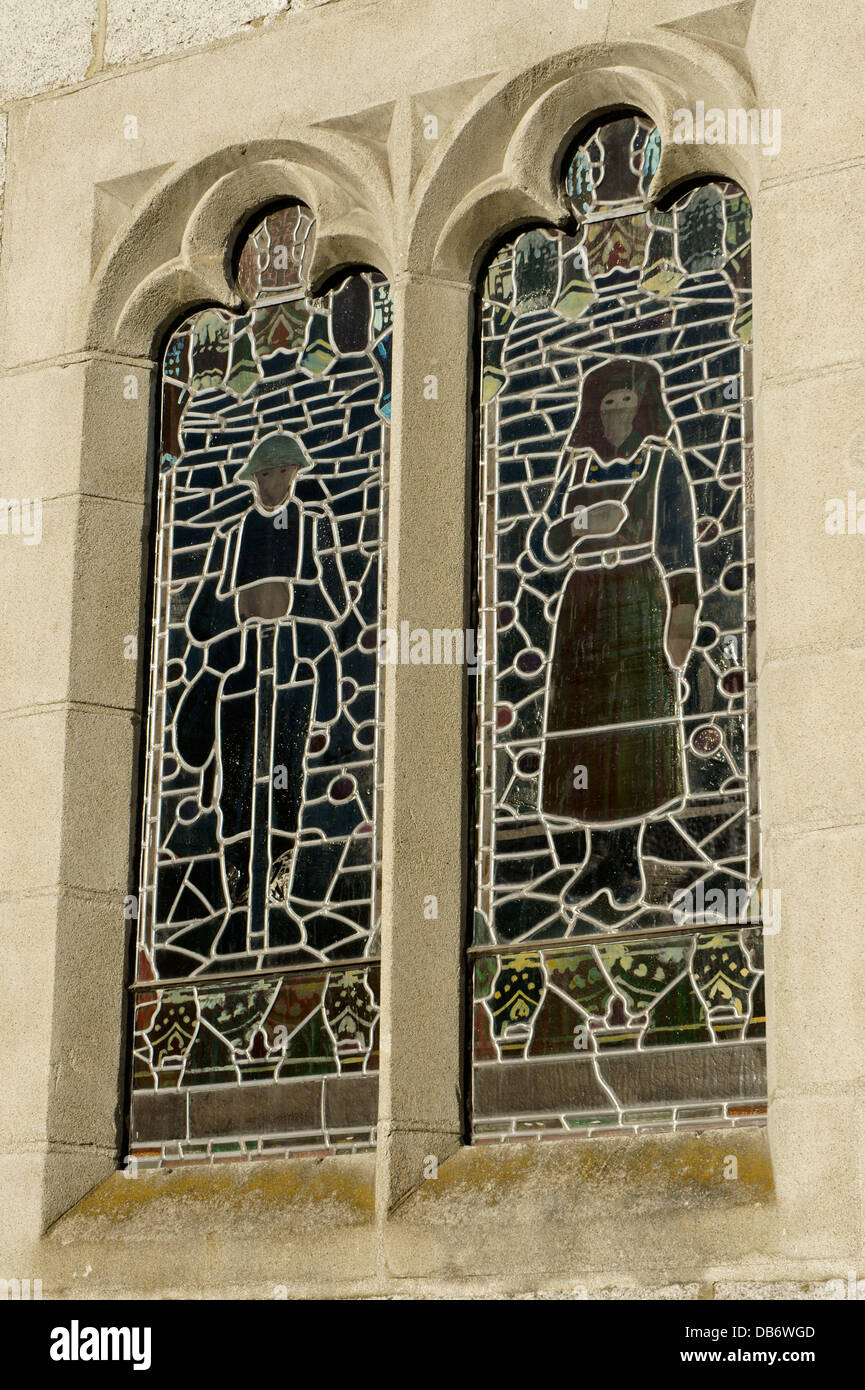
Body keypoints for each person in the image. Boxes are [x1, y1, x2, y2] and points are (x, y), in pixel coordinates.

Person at [528, 358, 699, 913]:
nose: (616, 414)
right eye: (606, 404)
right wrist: (581, 525)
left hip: (637, 594)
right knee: (585, 726)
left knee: (632, 724)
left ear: (643, 407)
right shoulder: (575, 467)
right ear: (592, 413)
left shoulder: (660, 461)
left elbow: (678, 540)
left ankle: (628, 856)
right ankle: (595, 855)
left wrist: (683, 610)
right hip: (583, 601)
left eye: (625, 402)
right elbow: (540, 545)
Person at [173, 432, 349, 956]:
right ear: (256, 479)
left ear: (295, 476)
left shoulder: (314, 528)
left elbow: (336, 601)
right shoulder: (231, 537)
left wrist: (288, 598)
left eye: (285, 473)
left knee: (286, 785)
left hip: (295, 673)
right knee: (235, 793)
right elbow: (201, 619)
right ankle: (237, 903)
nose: (277, 483)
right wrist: (242, 608)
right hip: (236, 680)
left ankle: (274, 896)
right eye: (268, 474)